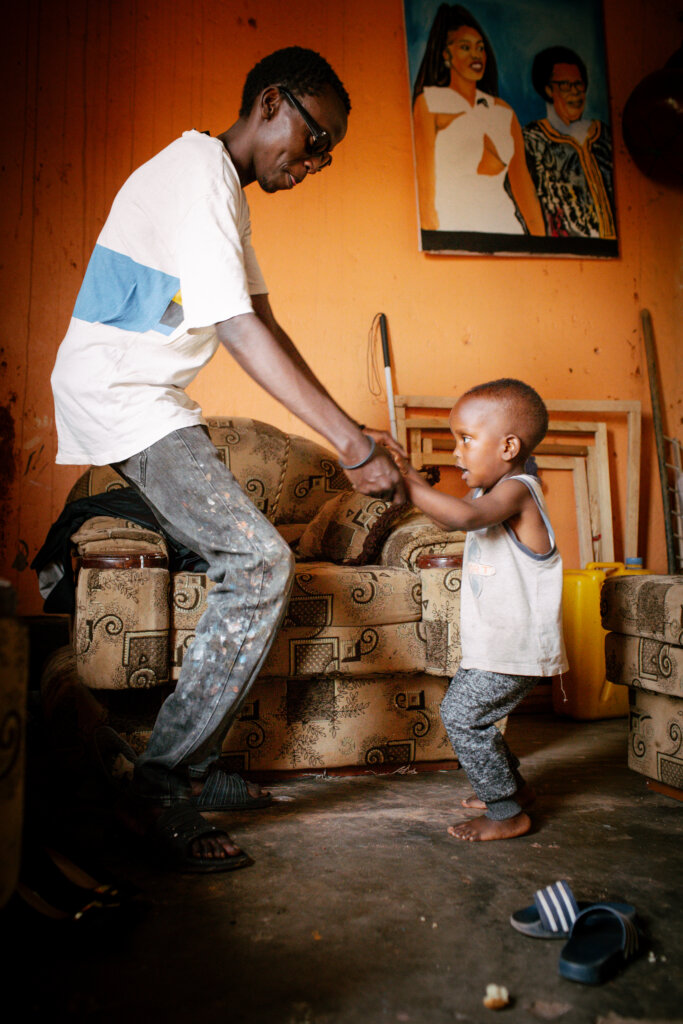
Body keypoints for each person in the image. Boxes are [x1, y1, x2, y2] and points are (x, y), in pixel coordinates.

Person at [50, 46, 406, 873]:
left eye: (329, 154)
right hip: (123, 394)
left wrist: (351, 427)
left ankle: (191, 769)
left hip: (148, 397)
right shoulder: (197, 169)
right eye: (314, 139)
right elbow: (240, 336)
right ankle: (162, 781)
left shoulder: (219, 196)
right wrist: (352, 448)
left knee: (244, 559)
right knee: (257, 563)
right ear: (271, 103)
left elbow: (263, 323)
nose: (314, 163)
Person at [393, 379, 567, 841]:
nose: (456, 452)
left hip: (517, 645)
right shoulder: (490, 494)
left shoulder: (520, 491)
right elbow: (451, 511)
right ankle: (514, 790)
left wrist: (404, 485)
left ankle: (506, 810)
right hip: (494, 643)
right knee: (470, 714)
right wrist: (407, 473)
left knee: (462, 715)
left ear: (509, 446)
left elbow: (465, 519)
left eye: (466, 439)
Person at [411, 3, 544, 236]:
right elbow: (424, 183)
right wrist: (431, 232)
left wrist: (542, 243)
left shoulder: (504, 112)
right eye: (465, 47)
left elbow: (523, 186)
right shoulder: (429, 103)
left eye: (480, 48)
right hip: (451, 227)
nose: (476, 55)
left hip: (506, 229)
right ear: (446, 54)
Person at [522, 46, 616, 239]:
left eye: (579, 85)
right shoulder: (532, 140)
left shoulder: (603, 135)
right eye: (565, 85)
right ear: (548, 89)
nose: (575, 93)